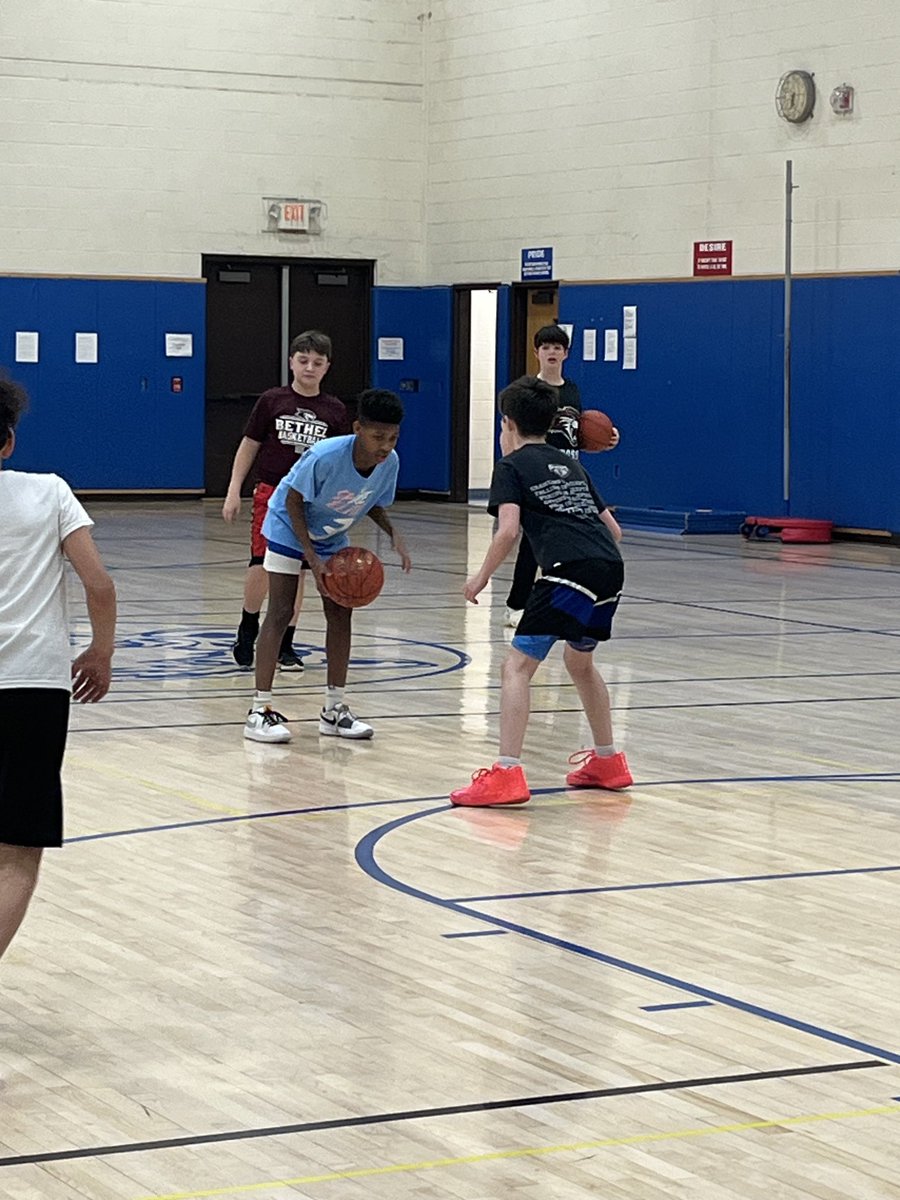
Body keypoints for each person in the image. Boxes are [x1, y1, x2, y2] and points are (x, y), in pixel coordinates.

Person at [451, 375, 631, 807]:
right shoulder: (572, 465)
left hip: (568, 573)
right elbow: (616, 531)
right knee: (580, 663)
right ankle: (608, 762)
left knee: (515, 668)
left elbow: (507, 530)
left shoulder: (510, 467)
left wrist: (478, 579)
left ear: (507, 424)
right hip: (610, 568)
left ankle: (508, 772)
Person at [0, 376, 117, 961]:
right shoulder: (49, 491)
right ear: (9, 442)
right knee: (18, 852)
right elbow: (98, 583)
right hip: (33, 689)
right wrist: (100, 651)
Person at [243, 388, 411, 744]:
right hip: (289, 527)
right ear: (357, 429)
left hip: (331, 534)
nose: (385, 445)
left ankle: (334, 710)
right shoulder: (325, 455)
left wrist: (393, 532)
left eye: (393, 437)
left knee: (341, 613)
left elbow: (371, 503)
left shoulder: (389, 463)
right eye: (378, 436)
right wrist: (312, 559)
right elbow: (291, 500)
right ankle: (259, 710)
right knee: (281, 611)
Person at [222, 330, 350, 671]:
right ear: (291, 362)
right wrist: (234, 489)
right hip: (272, 494)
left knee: (297, 572)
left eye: (317, 362)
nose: (310, 367)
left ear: (327, 367)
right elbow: (249, 444)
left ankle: (284, 643)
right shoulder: (272, 400)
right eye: (303, 360)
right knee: (261, 564)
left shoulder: (334, 411)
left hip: (312, 501)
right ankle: (248, 627)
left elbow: (340, 462)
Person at [505, 324, 619, 627]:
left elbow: (577, 434)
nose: (552, 352)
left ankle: (563, 600)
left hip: (570, 472)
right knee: (532, 543)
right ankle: (516, 604)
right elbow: (512, 432)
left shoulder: (572, 390)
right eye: (546, 347)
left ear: (566, 353)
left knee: (568, 541)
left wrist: (605, 439)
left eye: (557, 347)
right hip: (538, 472)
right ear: (536, 353)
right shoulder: (528, 390)